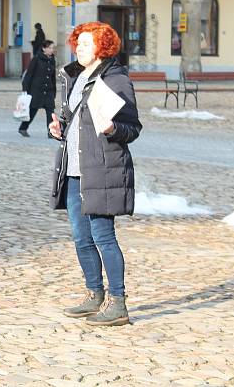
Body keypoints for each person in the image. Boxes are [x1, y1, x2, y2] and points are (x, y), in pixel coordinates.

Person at [49, 21, 141, 327]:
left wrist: (113, 128)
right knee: (81, 237)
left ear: (102, 47)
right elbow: (74, 120)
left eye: (86, 44)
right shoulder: (75, 77)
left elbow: (132, 128)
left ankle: (118, 302)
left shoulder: (115, 79)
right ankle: (94, 294)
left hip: (103, 168)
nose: (79, 49)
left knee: (103, 236)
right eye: (77, 43)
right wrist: (58, 129)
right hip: (75, 169)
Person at [18, 40, 56, 137]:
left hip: (48, 91)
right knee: (32, 110)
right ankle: (23, 128)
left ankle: (51, 132)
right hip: (36, 90)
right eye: (50, 48)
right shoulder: (37, 59)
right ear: (44, 48)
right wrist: (25, 89)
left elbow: (53, 77)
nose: (52, 50)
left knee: (50, 111)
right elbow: (29, 74)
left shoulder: (52, 59)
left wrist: (54, 91)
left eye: (53, 48)